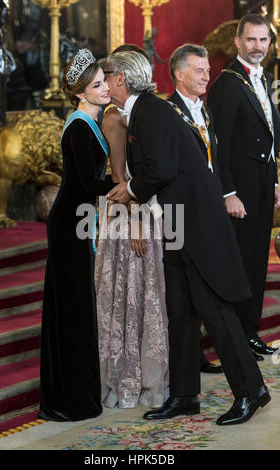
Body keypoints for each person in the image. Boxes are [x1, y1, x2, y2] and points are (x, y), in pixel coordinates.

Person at [105, 50, 270, 426]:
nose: (106, 82)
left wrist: (130, 189)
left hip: (197, 223)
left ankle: (251, 390)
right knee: (179, 313)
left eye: (108, 75)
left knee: (214, 308)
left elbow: (159, 169)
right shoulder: (144, 111)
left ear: (120, 80)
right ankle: (184, 395)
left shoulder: (151, 111)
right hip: (178, 223)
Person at [38, 49, 115, 422]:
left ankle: (78, 395)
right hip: (71, 224)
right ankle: (70, 400)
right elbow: (88, 185)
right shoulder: (80, 126)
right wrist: (130, 185)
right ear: (81, 93)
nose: (104, 89)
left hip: (78, 218)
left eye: (104, 82)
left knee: (78, 306)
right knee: (72, 308)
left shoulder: (91, 122)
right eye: (97, 85)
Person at [95, 44, 169, 409]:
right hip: (130, 216)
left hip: (139, 210)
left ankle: (140, 374)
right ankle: (128, 376)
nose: (107, 81)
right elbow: (121, 176)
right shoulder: (116, 117)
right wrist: (137, 220)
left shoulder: (131, 112)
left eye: (109, 75)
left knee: (142, 295)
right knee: (131, 297)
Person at [208, 13, 280, 357]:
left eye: (263, 40)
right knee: (239, 260)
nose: (258, 47)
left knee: (256, 260)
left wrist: (276, 179)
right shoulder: (226, 82)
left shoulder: (263, 78)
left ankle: (249, 332)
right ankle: (236, 336)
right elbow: (216, 141)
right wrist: (228, 191)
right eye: (251, 40)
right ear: (237, 42)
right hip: (239, 187)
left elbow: (269, 133)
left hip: (264, 180)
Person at [168, 43, 226, 371]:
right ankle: (187, 360)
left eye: (208, 69)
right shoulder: (168, 113)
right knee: (184, 294)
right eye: (199, 71)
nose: (207, 76)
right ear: (179, 74)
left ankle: (199, 354)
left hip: (208, 210)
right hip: (182, 215)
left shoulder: (203, 110)